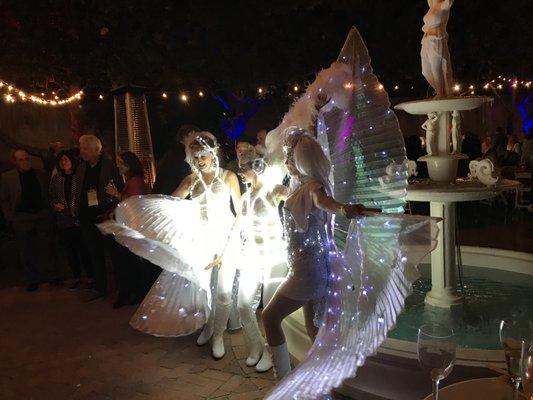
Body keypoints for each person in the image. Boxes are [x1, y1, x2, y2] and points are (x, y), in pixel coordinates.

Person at [260, 130, 376, 379]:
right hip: (313, 268)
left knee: (269, 318)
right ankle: (322, 385)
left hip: (307, 272)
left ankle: (283, 383)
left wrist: (343, 209)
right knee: (313, 330)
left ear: (300, 160)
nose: (286, 163)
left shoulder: (313, 187)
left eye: (289, 158)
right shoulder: (301, 186)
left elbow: (325, 202)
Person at [126, 131, 242, 359]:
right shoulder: (191, 180)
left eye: (203, 155)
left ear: (213, 152)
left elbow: (239, 213)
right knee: (205, 289)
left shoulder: (228, 177)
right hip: (203, 241)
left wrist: (227, 245)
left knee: (224, 292)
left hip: (227, 240)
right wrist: (143, 214)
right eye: (195, 155)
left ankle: (218, 334)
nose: (200, 160)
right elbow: (170, 202)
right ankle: (208, 327)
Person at [0, 149, 58, 291]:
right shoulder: (8, 177)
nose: (25, 162)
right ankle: (32, 279)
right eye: (21, 160)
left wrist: (48, 212)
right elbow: (4, 199)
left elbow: (47, 194)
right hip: (22, 217)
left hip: (41, 215)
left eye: (26, 159)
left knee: (46, 246)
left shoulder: (40, 174)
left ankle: (50, 276)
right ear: (15, 161)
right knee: (26, 249)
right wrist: (10, 218)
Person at [77, 134, 124, 301]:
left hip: (105, 215)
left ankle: (121, 288)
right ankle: (100, 287)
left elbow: (120, 189)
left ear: (97, 149)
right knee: (94, 253)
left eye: (85, 148)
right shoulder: (82, 167)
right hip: (87, 217)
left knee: (113, 253)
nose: (81, 151)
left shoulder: (109, 166)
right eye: (81, 148)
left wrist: (111, 209)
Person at [105, 151, 150, 308]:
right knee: (128, 260)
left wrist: (116, 194)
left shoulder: (135, 181)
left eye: (121, 162)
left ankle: (138, 293)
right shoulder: (131, 180)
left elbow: (134, 203)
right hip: (129, 225)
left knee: (131, 260)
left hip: (132, 227)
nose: (118, 165)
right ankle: (135, 292)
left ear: (129, 164)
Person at [49, 149, 92, 290]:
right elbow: (52, 196)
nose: (64, 162)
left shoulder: (79, 176)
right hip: (64, 220)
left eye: (66, 160)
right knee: (70, 250)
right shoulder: (57, 179)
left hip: (79, 218)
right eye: (61, 161)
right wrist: (55, 205)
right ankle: (77, 276)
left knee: (84, 248)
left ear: (72, 161)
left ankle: (91, 277)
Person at [152, 125, 198, 195]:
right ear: (190, 133)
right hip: (171, 199)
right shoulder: (183, 155)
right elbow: (186, 182)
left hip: (160, 197)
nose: (199, 141)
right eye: (197, 137)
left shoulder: (172, 153)